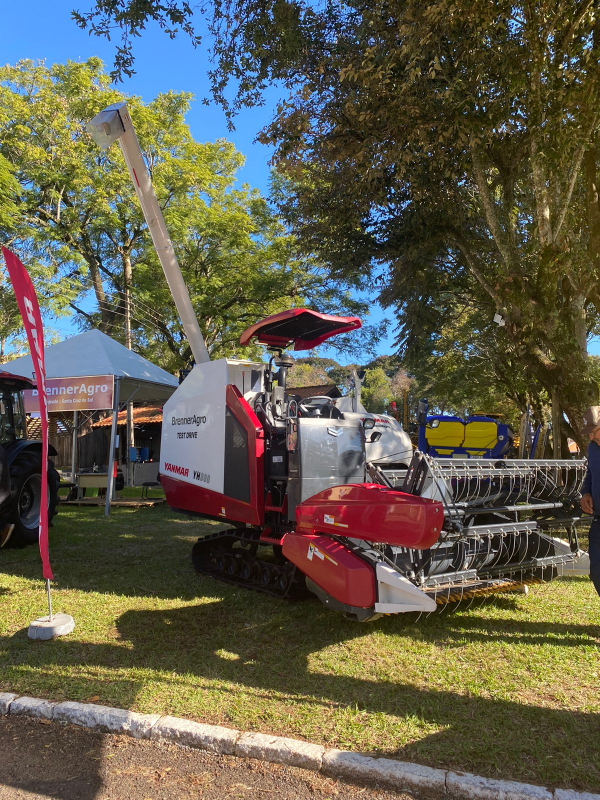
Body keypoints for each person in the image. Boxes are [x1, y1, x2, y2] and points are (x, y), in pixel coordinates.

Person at [579, 406, 600, 597]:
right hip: (598, 521)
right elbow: (590, 474)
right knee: (596, 572)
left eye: (594, 432)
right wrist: (585, 493)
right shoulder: (593, 447)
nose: (591, 438)